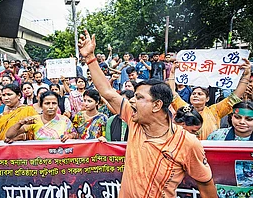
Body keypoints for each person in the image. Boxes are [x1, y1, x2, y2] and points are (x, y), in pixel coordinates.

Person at [78, 29, 217, 197]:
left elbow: (207, 187)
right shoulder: (135, 121)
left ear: (157, 105)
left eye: (139, 97)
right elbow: (107, 91)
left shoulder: (187, 143)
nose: (132, 101)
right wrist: (90, 59)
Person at [169, 60, 251, 140]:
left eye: (200, 94)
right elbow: (172, 93)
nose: (195, 96)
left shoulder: (215, 111)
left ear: (207, 98)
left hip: (211, 150)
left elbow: (234, 97)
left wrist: (246, 76)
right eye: (193, 94)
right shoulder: (184, 108)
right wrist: (172, 73)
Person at [5, 91, 77, 142]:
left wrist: (70, 136)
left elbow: (75, 134)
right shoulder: (34, 120)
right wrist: (20, 123)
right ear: (41, 105)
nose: (51, 106)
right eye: (47, 103)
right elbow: (9, 135)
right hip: (40, 159)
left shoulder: (65, 120)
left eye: (54, 103)